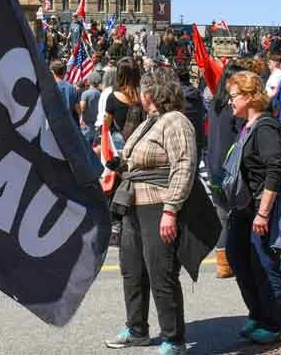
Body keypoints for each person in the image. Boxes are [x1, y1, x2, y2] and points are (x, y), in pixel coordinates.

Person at [104, 69, 199, 355]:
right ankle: (136, 330)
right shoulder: (150, 121)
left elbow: (184, 165)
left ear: (153, 93)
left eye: (144, 89)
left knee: (162, 274)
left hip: (158, 206)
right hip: (133, 205)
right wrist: (119, 166)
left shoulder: (175, 122)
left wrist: (171, 210)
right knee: (132, 270)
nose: (140, 94)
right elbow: (136, 160)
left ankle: (174, 338)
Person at [223, 71, 281, 345]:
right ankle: (257, 312)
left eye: (233, 96)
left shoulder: (265, 127)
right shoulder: (248, 125)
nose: (230, 102)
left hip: (260, 207)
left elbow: (275, 169)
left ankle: (275, 324)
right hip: (242, 207)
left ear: (250, 97)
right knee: (238, 258)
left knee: (264, 264)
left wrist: (263, 212)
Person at [206, 59, 251, 279]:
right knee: (237, 216)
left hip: (214, 165)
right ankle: (232, 261)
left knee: (223, 215)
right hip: (230, 167)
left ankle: (223, 262)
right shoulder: (235, 109)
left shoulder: (214, 104)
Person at [51, 58, 82, 132]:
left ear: (52, 72)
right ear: (65, 72)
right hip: (70, 127)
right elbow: (78, 109)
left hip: (55, 127)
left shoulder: (49, 88)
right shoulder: (71, 88)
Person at [80, 70, 105, 147]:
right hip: (97, 125)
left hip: (86, 125)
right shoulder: (101, 94)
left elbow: (82, 108)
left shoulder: (85, 93)